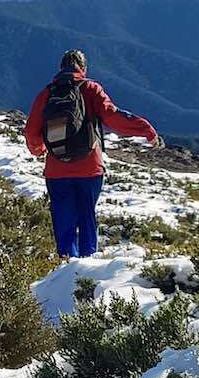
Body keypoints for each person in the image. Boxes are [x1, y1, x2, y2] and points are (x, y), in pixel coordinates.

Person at [23, 49, 159, 259]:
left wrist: (39, 150)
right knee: (87, 216)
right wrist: (146, 130)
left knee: (63, 219)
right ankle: (87, 266)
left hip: (56, 170)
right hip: (89, 168)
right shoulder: (90, 88)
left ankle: (67, 263)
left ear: (61, 68)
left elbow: (32, 130)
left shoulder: (46, 94)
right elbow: (113, 117)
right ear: (83, 68)